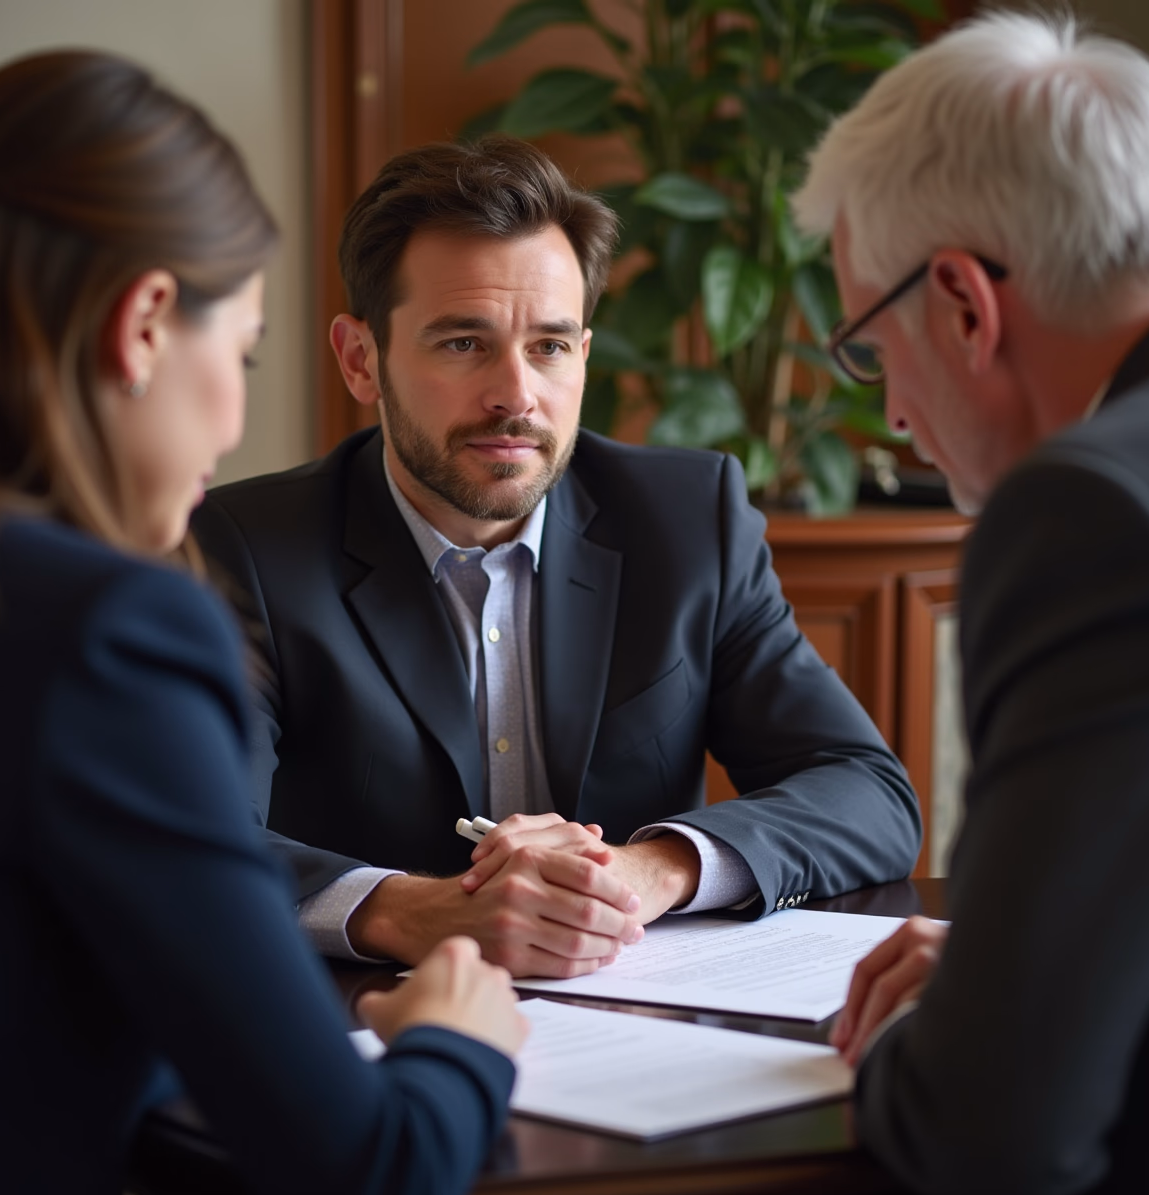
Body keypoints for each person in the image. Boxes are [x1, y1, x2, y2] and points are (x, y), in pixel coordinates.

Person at [0, 49, 527, 1195]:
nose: (232, 422)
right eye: (243, 355)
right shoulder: (108, 633)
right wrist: (460, 1037)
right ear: (144, 324)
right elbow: (367, 1168)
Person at [191, 135, 921, 979]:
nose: (516, 394)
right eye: (463, 343)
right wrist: (411, 912)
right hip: (372, 1035)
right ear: (363, 360)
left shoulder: (687, 520)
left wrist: (649, 872)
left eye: (549, 345)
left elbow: (866, 791)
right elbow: (196, 837)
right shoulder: (241, 548)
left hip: (641, 1029)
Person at [791, 10, 1149, 1195]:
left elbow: (992, 1130)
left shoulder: (1090, 512)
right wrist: (1038, 956)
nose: (893, 413)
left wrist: (956, 1022)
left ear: (961, 303)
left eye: (869, 344)